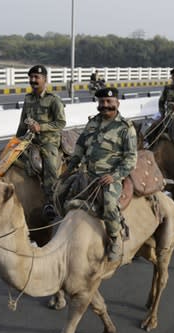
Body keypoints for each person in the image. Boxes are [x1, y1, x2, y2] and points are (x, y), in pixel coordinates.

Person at [64, 87, 137, 261]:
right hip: (88, 174)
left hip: (109, 177)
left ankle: (115, 240)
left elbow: (131, 158)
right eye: (102, 102)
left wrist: (115, 175)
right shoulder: (92, 123)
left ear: (117, 103)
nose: (105, 105)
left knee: (109, 203)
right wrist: (69, 169)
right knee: (63, 194)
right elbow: (80, 146)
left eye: (109, 102)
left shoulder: (126, 127)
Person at [15, 64, 66, 220]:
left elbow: (61, 122)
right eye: (31, 77)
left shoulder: (53, 100)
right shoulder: (28, 98)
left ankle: (51, 201)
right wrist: (16, 140)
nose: (33, 80)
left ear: (45, 79)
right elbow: (22, 122)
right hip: (30, 140)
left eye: (37, 77)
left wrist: (40, 127)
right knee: (8, 158)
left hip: (48, 141)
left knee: (49, 165)